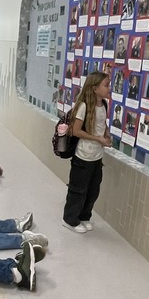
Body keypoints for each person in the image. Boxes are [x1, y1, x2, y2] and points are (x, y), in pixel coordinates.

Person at [62, 71, 111, 233]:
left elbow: (102, 123)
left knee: (93, 190)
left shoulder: (104, 104)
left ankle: (84, 216)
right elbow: (76, 131)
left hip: (97, 157)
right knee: (78, 190)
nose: (109, 88)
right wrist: (98, 139)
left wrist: (106, 134)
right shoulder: (83, 106)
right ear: (95, 88)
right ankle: (70, 219)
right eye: (106, 85)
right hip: (83, 157)